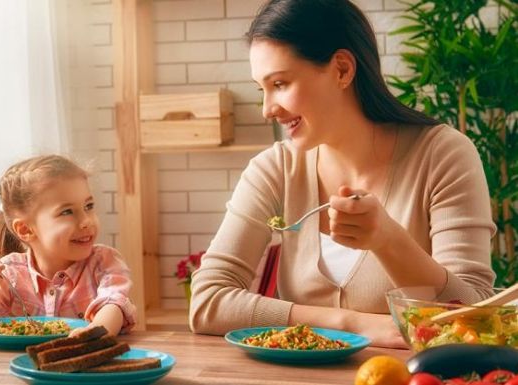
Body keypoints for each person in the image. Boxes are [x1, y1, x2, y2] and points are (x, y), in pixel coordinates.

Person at [189, 0, 496, 348]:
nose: (267, 109)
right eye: (263, 89)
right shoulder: (275, 169)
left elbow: (475, 316)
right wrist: (349, 323)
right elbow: (207, 301)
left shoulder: (443, 155)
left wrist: (388, 240)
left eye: (280, 83)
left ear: (342, 70)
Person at [0, 155, 136, 337]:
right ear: (25, 229)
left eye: (88, 206)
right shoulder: (10, 273)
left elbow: (113, 304)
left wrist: (94, 333)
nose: (86, 221)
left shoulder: (104, 262)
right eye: (67, 212)